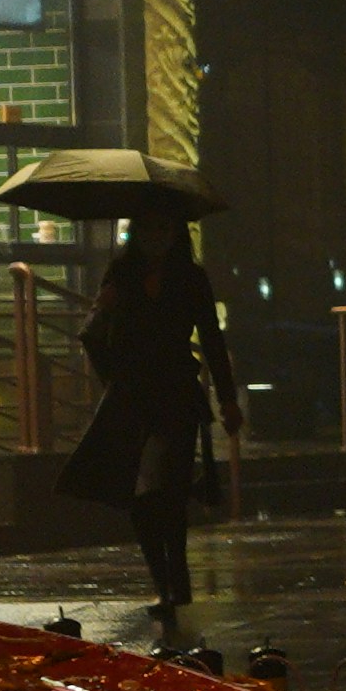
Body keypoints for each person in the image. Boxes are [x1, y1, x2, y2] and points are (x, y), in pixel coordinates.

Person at [64, 211, 246, 624]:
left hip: (177, 393)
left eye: (163, 226)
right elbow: (96, 337)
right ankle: (165, 582)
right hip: (132, 396)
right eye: (148, 226)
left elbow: (211, 339)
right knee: (143, 497)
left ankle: (174, 585)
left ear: (175, 231)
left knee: (169, 490)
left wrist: (227, 398)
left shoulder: (190, 277)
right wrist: (103, 309)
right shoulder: (121, 272)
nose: (155, 235)